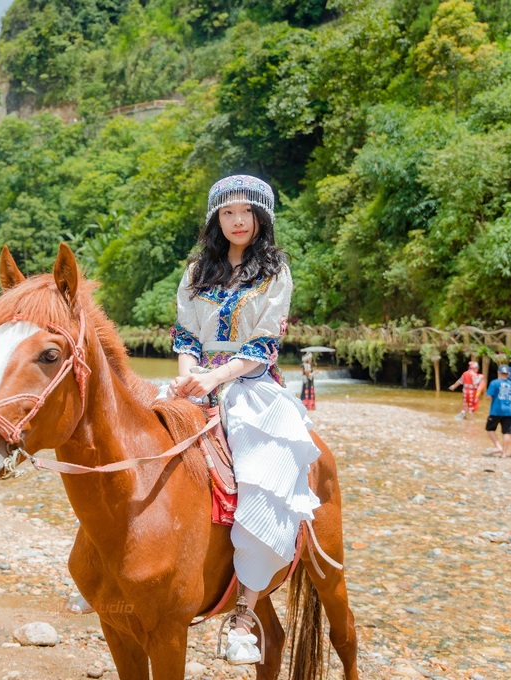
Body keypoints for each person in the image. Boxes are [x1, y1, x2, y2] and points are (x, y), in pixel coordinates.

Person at [169, 174, 320, 665]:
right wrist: (190, 380)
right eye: (228, 213)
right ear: (217, 219)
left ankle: (243, 614)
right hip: (197, 377)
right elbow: (187, 335)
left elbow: (263, 344)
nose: (237, 221)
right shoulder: (195, 271)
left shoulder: (276, 271)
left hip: (250, 382)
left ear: (261, 220)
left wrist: (217, 381)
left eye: (246, 213)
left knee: (262, 474)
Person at [484, 365, 511, 456]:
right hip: (508, 411)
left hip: (496, 410)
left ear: (498, 373)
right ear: (508, 374)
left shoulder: (494, 383)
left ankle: (498, 446)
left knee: (489, 428)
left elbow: (488, 396)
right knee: (506, 432)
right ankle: (504, 453)